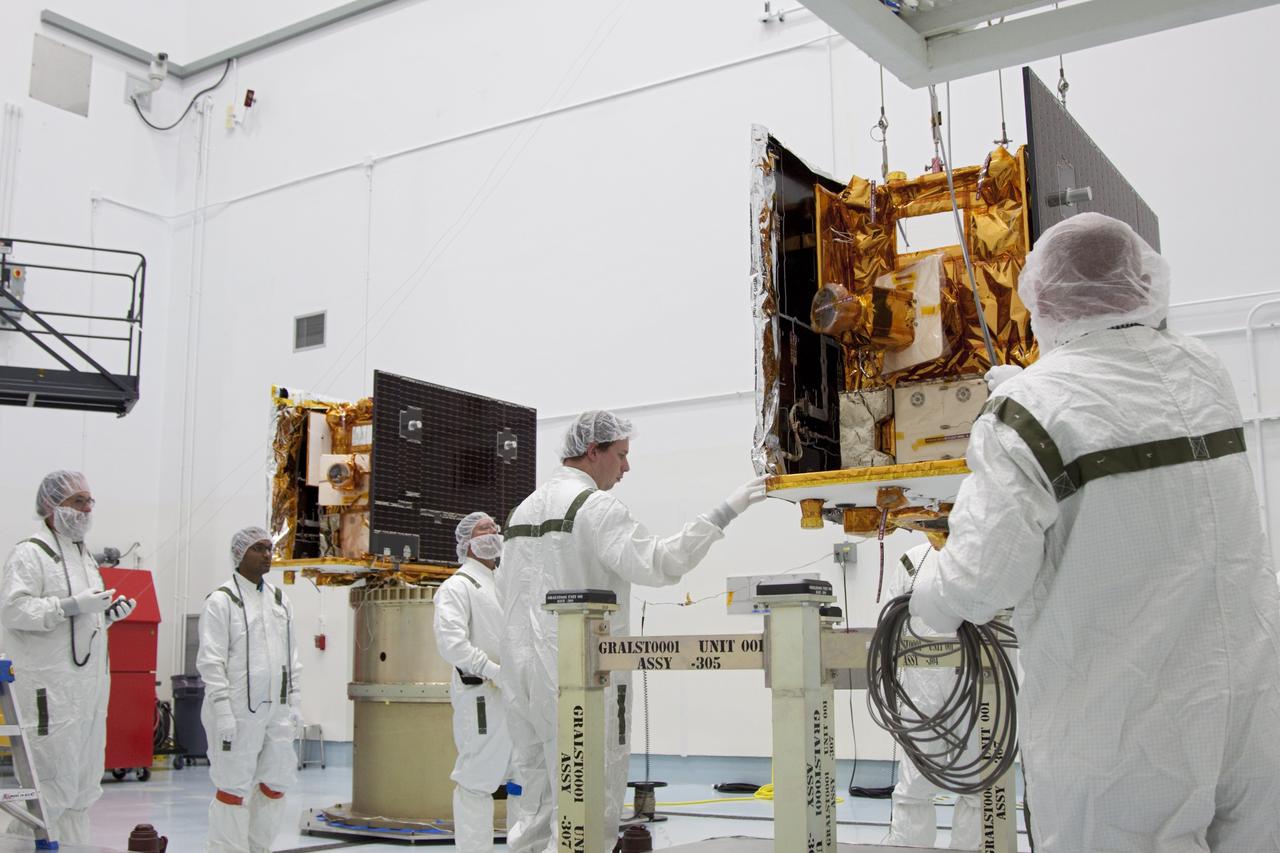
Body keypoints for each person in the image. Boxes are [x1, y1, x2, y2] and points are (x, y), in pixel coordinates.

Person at [910, 212, 1280, 851]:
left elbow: (976, 587)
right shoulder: (1203, 370)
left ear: (1040, 299)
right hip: (1250, 707)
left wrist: (923, 595)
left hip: (1124, 733)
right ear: (1143, 282)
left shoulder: (1025, 413)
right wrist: (1032, 389)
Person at [497, 410, 768, 853]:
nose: (626, 467)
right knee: (590, 799)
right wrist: (726, 510)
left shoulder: (521, 511)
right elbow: (661, 563)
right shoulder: (596, 508)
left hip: (522, 679)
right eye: (621, 455)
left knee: (535, 806)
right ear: (593, 451)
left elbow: (507, 595)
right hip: (581, 676)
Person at [0, 471, 132, 846]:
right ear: (51, 505)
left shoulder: (83, 557)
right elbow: (13, 610)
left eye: (90, 501)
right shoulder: (31, 553)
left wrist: (105, 615)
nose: (87, 509)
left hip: (87, 693)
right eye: (78, 501)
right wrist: (70, 605)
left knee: (81, 788)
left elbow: (77, 622)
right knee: (48, 790)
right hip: (49, 692)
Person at [197, 526, 301, 853]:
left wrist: (294, 703)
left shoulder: (280, 601)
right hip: (236, 713)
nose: (268, 555)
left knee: (277, 781)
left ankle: (258, 847)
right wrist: (223, 709)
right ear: (241, 554)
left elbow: (292, 657)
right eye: (259, 549)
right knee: (233, 787)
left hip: (277, 712)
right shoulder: (221, 601)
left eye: (270, 548)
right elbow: (211, 661)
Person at [433, 512, 525, 853]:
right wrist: (493, 670)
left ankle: (524, 846)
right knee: (477, 780)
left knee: (522, 777)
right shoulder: (457, 586)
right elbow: (452, 644)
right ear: (466, 541)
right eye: (483, 529)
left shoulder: (502, 582)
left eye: (495, 528)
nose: (493, 533)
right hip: (482, 697)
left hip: (516, 695)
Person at [881, 540, 980, 850]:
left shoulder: (977, 553)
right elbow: (889, 621)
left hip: (973, 678)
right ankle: (910, 846)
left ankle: (972, 846)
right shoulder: (913, 561)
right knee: (914, 782)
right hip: (919, 685)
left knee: (977, 781)